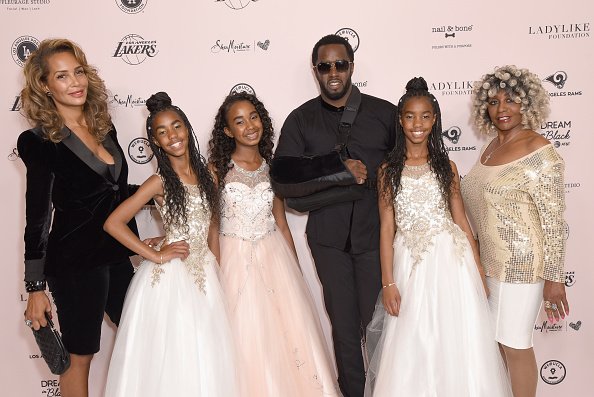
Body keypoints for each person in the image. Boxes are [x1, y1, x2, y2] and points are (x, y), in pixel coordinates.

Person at [363, 77, 512, 396]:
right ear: (400, 121)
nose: (418, 123)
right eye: (410, 116)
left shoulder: (447, 167)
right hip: (411, 264)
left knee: (456, 338)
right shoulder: (388, 170)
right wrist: (388, 282)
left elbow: (460, 219)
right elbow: (387, 228)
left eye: (425, 116)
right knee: (414, 338)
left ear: (435, 120)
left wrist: (479, 267)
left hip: (452, 262)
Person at [275, 34, 397, 397]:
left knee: (381, 327)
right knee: (344, 329)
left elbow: (410, 171)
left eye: (339, 64)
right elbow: (283, 178)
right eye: (324, 65)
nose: (333, 72)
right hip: (328, 241)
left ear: (351, 67)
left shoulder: (385, 114)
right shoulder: (301, 119)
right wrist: (339, 170)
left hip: (377, 238)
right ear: (315, 70)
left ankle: (388, 389)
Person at [18, 38, 138, 397]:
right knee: (78, 359)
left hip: (116, 257)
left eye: (79, 72)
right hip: (75, 264)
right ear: (44, 85)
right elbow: (37, 217)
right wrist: (35, 288)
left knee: (144, 335)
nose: (75, 82)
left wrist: (162, 191)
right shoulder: (38, 141)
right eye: (62, 76)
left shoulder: (104, 128)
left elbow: (113, 194)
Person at [103, 92, 238, 396]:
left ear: (187, 127)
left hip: (205, 274)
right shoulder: (159, 181)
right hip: (172, 280)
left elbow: (212, 228)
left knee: (206, 354)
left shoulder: (209, 175)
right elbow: (113, 223)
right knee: (175, 356)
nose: (172, 136)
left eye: (176, 126)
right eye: (161, 132)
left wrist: (217, 268)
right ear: (155, 142)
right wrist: (156, 254)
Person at [207, 92, 339, 396]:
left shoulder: (273, 168)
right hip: (232, 258)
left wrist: (293, 268)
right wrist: (214, 267)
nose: (249, 125)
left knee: (285, 336)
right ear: (228, 131)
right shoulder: (218, 170)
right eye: (239, 121)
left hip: (272, 256)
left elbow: (280, 222)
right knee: (244, 334)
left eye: (253, 117)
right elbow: (213, 224)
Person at [461, 65, 568, 397]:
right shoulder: (490, 148)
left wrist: (554, 279)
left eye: (511, 100)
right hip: (490, 264)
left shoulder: (538, 150)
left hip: (522, 267)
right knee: (495, 346)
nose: (502, 109)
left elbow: (554, 222)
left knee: (515, 344)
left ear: (527, 103)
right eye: (493, 102)